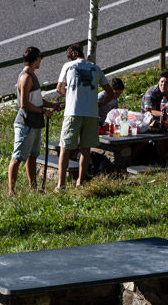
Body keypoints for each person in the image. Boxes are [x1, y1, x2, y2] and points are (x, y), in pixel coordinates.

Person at [55, 43, 111, 191]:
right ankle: (81, 181)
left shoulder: (68, 66)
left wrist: (71, 96)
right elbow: (110, 93)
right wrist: (100, 104)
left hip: (73, 112)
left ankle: (61, 185)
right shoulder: (95, 67)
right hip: (91, 114)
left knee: (65, 148)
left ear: (70, 56)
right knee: (86, 149)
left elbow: (59, 88)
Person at [8, 46, 59, 194]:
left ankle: (33, 188)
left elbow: (36, 99)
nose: (40, 61)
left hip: (35, 123)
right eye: (40, 58)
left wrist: (52, 105)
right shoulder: (25, 77)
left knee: (32, 156)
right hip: (25, 123)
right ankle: (11, 191)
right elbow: (24, 104)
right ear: (36, 59)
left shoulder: (32, 75)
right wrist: (43, 111)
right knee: (17, 158)